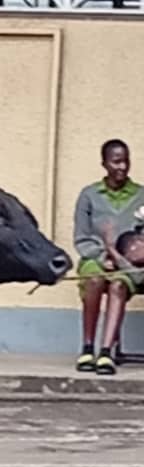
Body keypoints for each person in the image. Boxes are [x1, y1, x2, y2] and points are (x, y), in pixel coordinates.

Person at [73, 139, 144, 375]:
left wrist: (124, 258)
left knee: (118, 285)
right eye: (116, 161)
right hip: (96, 259)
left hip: (130, 266)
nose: (122, 167)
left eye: (125, 161)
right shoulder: (89, 195)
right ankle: (87, 347)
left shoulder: (141, 195)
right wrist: (102, 256)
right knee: (94, 279)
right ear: (104, 163)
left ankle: (106, 352)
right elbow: (82, 237)